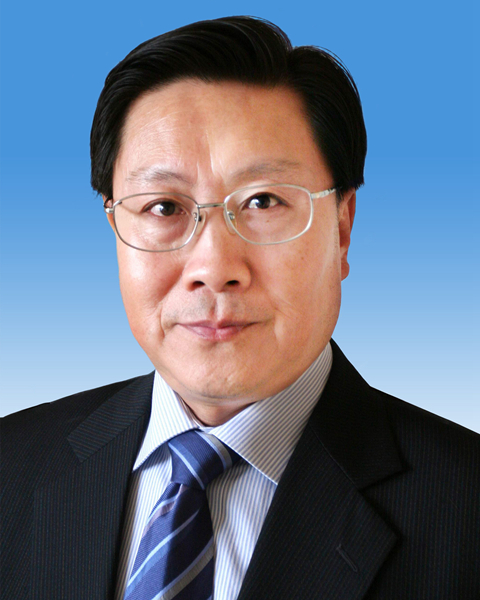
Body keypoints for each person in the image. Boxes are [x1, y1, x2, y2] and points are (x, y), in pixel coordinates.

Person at [1, 16, 479, 600]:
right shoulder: (12, 468)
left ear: (342, 227)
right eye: (163, 207)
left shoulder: (464, 509)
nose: (213, 266)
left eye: (263, 201)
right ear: (114, 225)